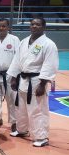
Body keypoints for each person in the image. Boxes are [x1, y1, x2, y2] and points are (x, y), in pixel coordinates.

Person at [7, 18, 59, 147]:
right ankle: (22, 130)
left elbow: (50, 64)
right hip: (23, 79)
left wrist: (43, 84)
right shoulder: (24, 42)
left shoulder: (48, 44)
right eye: (32, 24)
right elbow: (17, 60)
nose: (34, 26)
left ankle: (42, 137)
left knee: (38, 109)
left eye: (38, 24)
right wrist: (13, 77)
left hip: (37, 80)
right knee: (21, 107)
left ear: (43, 27)